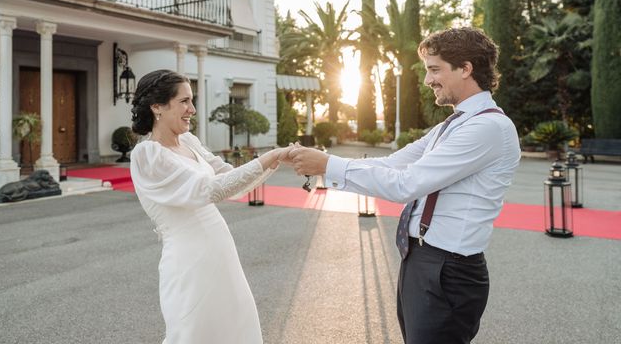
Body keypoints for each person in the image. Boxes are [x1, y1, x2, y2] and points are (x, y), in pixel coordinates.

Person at [286, 27, 520, 344]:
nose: (427, 80)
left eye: (435, 70)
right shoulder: (453, 124)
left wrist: (326, 166)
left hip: (449, 270)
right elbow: (393, 163)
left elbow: (405, 184)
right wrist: (324, 161)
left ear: (466, 69)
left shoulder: (489, 127)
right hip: (421, 261)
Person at [129, 69, 289, 344]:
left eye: (192, 100)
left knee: (235, 328)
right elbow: (210, 189)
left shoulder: (189, 141)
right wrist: (269, 157)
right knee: (195, 332)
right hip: (189, 261)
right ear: (157, 107)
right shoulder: (148, 155)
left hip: (221, 253)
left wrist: (277, 160)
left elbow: (231, 179)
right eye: (184, 101)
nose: (192, 109)